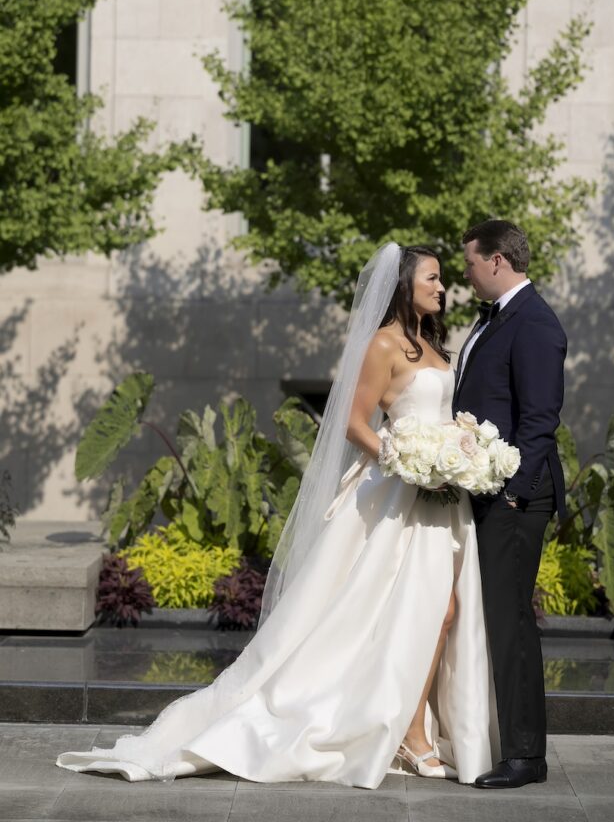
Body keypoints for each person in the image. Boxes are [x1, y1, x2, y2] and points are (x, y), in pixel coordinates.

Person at [56, 244, 498, 787]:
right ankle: (408, 730)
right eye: (432, 278)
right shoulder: (383, 344)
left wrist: (459, 450)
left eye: (443, 280)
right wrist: (403, 459)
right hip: (396, 495)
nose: (442, 287)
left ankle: (411, 723)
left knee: (441, 612)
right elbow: (355, 424)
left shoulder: (431, 345)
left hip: (441, 499)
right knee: (408, 609)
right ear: (405, 284)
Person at [454, 219, 567, 790]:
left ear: (497, 261)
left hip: (517, 495)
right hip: (486, 488)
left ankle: (526, 755)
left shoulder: (536, 323)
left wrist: (517, 494)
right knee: (492, 616)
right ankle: (500, 737)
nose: (466, 273)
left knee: (512, 619)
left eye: (471, 263)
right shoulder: (493, 319)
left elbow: (541, 420)